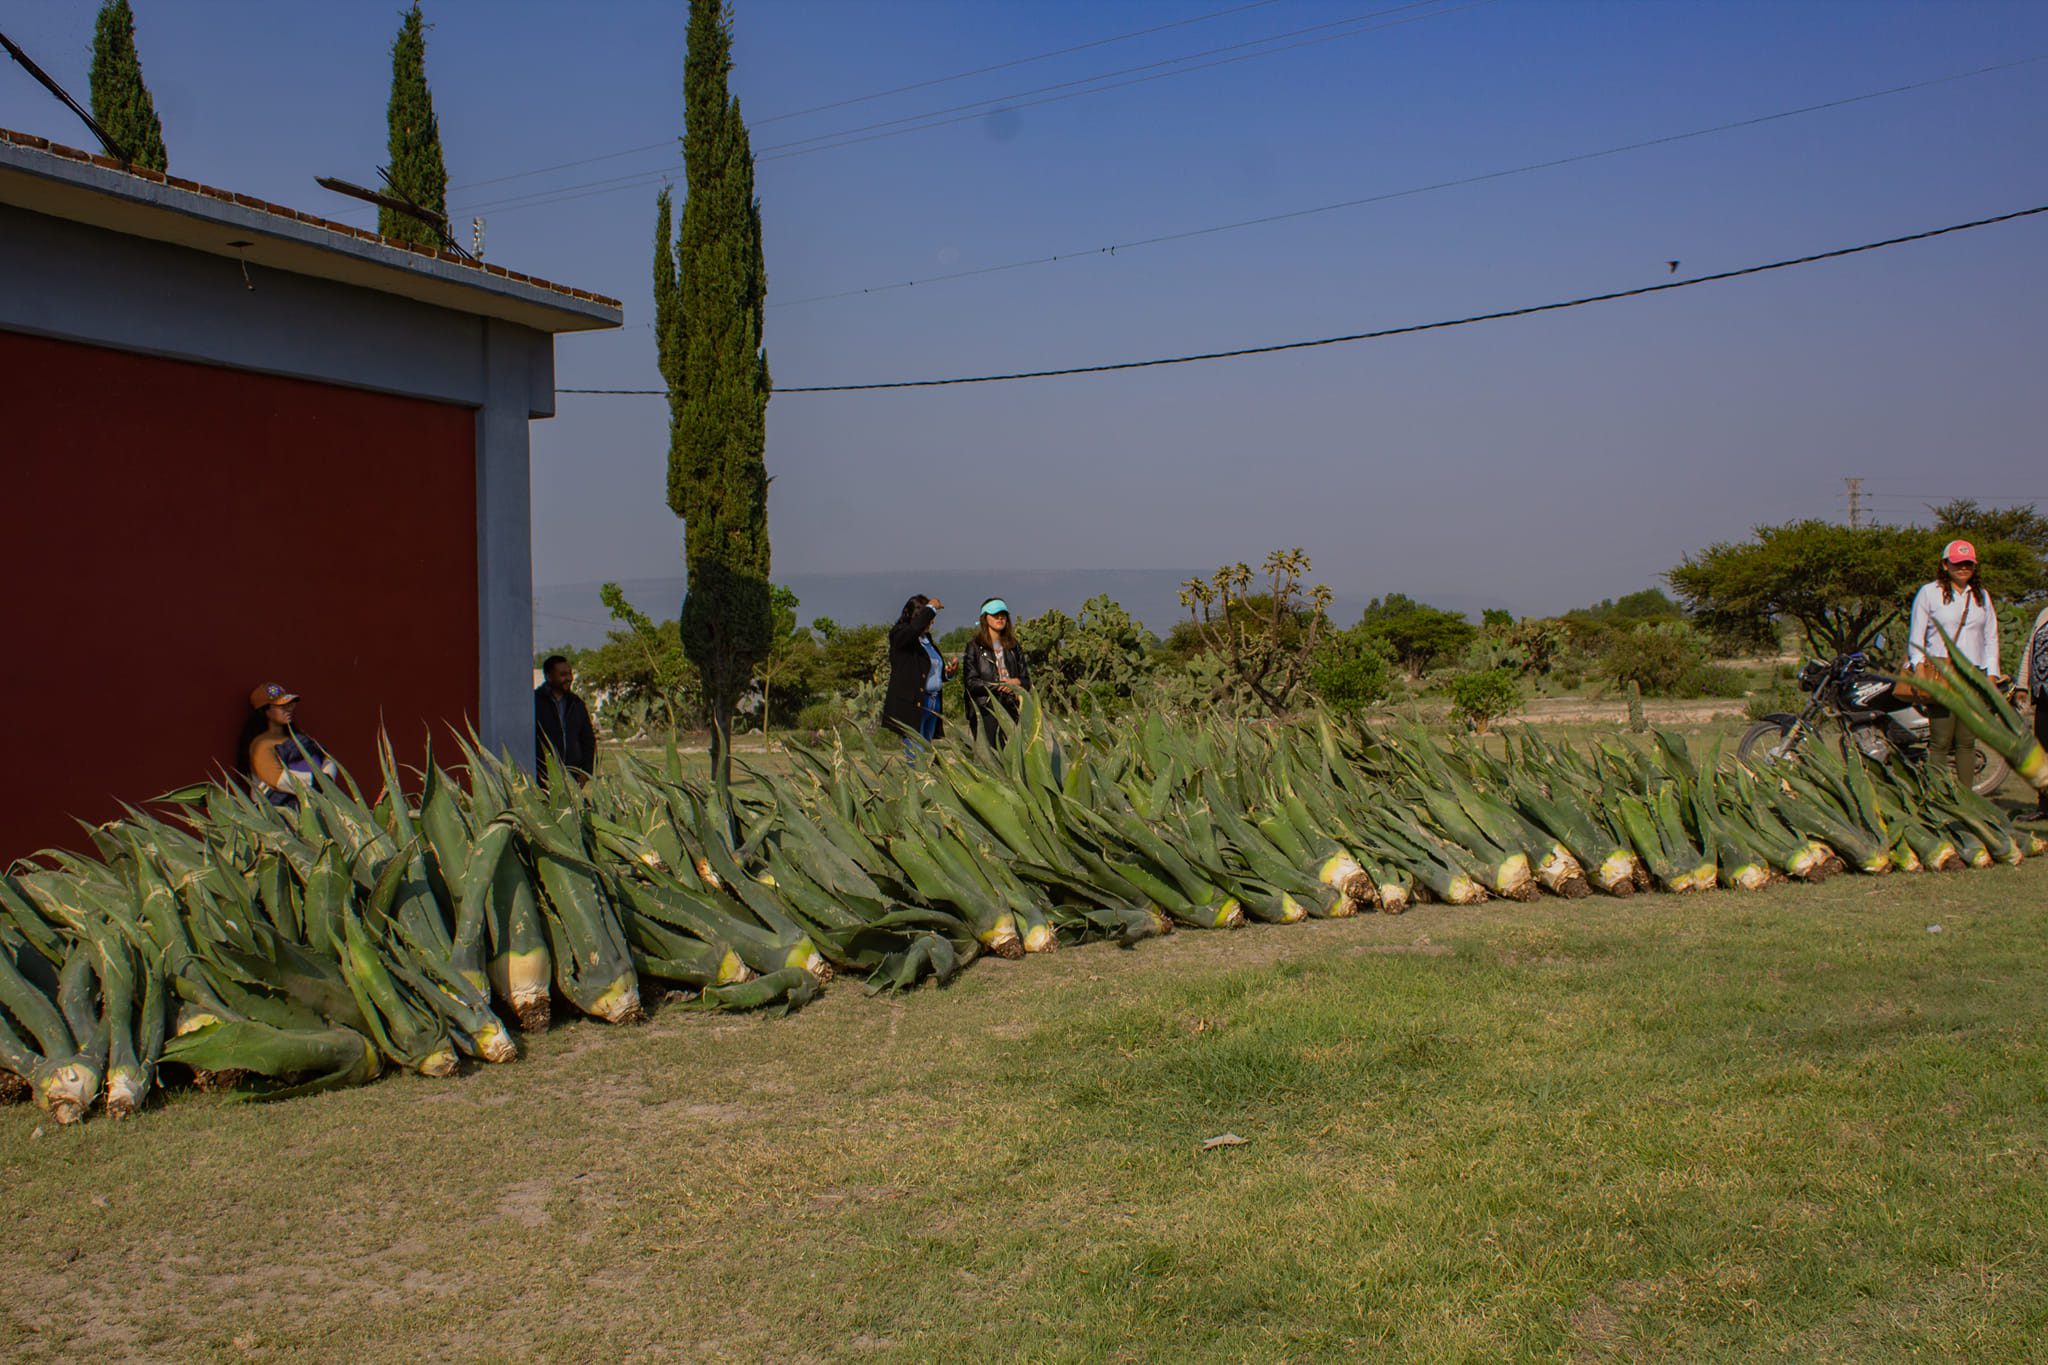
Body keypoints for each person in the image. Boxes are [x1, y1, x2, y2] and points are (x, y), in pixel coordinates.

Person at [1905, 539, 2001, 784]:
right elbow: (1916, 636)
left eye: (1968, 563)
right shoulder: (1929, 593)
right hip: (1942, 673)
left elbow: (1991, 637)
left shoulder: (1982, 596)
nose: (1963, 568)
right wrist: (1918, 669)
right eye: (1957, 563)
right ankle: (1938, 798)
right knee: (1940, 740)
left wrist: (1991, 676)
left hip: (1974, 674)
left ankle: (1967, 801)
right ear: (1945, 565)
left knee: (1967, 741)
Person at [241, 682, 339, 810]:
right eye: (281, 706)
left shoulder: (299, 739)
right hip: (279, 811)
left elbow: (326, 757)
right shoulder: (261, 745)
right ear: (265, 711)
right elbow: (277, 780)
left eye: (289, 705)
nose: (289, 709)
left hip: (310, 803)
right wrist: (317, 782)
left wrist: (327, 778)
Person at [883, 595, 955, 757]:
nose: (931, 622)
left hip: (933, 702)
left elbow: (928, 671)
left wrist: (947, 674)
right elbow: (912, 631)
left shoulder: (927, 640)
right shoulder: (900, 635)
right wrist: (931, 608)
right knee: (916, 754)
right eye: (928, 617)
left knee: (927, 752)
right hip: (915, 703)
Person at [962, 598, 1030, 747]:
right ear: (985, 618)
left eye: (1003, 615)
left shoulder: (1013, 646)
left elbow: (1026, 679)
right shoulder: (974, 647)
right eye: (995, 615)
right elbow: (971, 682)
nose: (1000, 618)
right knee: (992, 755)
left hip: (1011, 707)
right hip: (985, 710)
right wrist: (998, 685)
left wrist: (1016, 683)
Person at [535, 654, 597, 783]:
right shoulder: (535, 703)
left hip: (572, 777)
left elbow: (587, 739)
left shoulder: (576, 704)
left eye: (570, 674)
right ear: (549, 676)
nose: (569, 678)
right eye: (563, 674)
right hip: (543, 777)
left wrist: (586, 771)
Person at [2018, 600, 2048, 818]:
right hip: (2043, 695)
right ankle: (2044, 806)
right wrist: (2022, 684)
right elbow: (2030, 649)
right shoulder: (2044, 614)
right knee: (2043, 750)